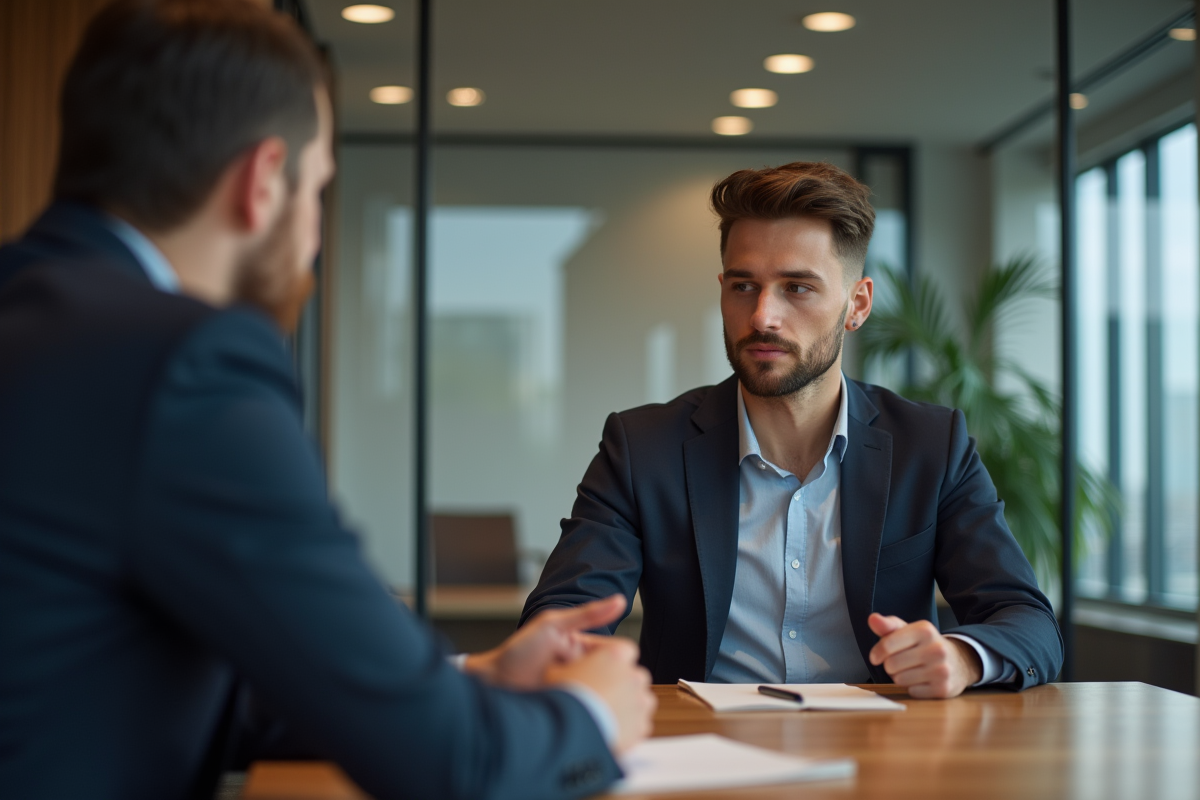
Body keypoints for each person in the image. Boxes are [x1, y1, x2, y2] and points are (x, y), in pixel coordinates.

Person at [0, 2, 654, 799]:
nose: (314, 236)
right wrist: (589, 717)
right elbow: (450, 769)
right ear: (263, 181)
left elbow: (138, 682)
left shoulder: (39, 318)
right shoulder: (184, 362)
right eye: (319, 194)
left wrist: (468, 678)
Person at [521, 161, 1063, 698]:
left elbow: (1027, 621)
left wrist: (963, 657)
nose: (762, 317)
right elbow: (565, 615)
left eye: (797, 288)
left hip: (884, 757)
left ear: (857, 304)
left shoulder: (931, 446)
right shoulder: (643, 449)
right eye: (743, 286)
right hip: (699, 754)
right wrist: (568, 655)